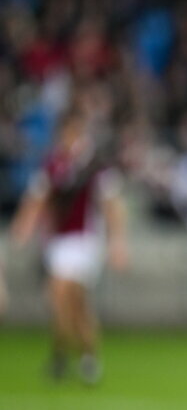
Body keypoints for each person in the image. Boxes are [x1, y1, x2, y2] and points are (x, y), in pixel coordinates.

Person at [11, 112, 129, 384]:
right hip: (57, 242)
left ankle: (68, 355)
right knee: (67, 302)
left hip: (85, 241)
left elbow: (112, 206)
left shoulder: (95, 167)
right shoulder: (53, 165)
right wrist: (24, 227)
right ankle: (80, 355)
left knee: (67, 295)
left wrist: (117, 243)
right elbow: (37, 199)